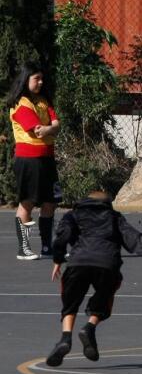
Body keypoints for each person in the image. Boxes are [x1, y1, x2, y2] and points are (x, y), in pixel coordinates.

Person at [45, 188, 142, 366]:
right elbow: (134, 239)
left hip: (78, 262)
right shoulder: (114, 217)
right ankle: (90, 327)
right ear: (107, 203)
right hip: (107, 264)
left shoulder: (73, 215)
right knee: (105, 297)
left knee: (70, 301)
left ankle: (65, 338)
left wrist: (58, 259)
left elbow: (61, 237)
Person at [7, 64, 60, 260]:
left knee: (50, 203)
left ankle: (47, 246)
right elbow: (37, 130)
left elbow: (56, 123)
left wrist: (50, 128)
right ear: (26, 79)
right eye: (36, 78)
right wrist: (50, 128)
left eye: (42, 78)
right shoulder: (20, 104)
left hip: (47, 158)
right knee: (27, 203)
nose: (40, 82)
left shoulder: (44, 100)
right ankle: (24, 248)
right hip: (29, 161)